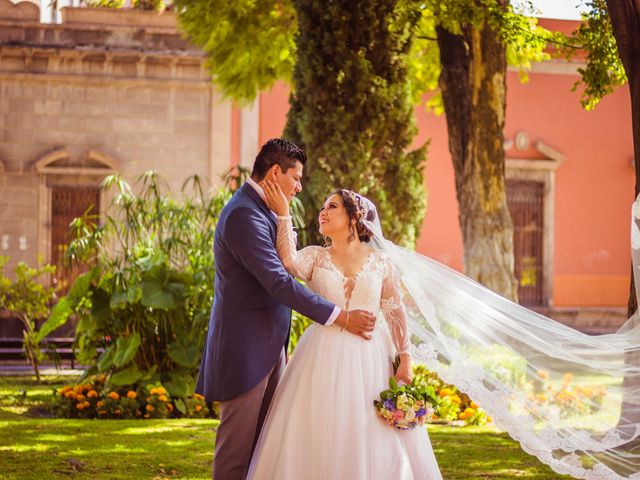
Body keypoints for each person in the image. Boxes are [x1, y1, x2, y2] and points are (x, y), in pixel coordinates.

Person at [194, 139, 377, 480]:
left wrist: (282, 216)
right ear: (276, 173)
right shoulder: (243, 216)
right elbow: (279, 282)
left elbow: (286, 265)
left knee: (262, 452)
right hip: (244, 351)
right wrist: (342, 317)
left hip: (267, 347)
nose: (300, 186)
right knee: (237, 453)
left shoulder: (261, 210)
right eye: (296, 177)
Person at [247, 185, 443, 479]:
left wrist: (405, 358)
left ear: (354, 218)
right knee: (320, 425)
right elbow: (288, 262)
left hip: (372, 356)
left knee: (373, 430)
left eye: (332, 207)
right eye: (323, 208)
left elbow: (394, 310)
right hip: (321, 353)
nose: (322, 212)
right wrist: (284, 216)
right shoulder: (314, 256)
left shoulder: (381, 261)